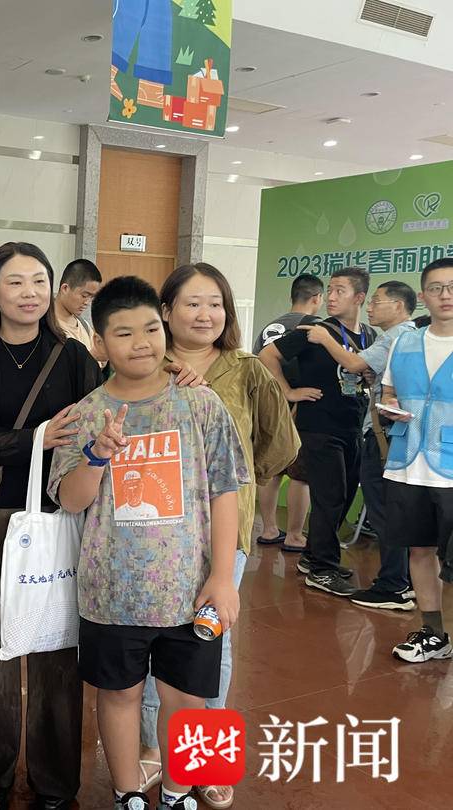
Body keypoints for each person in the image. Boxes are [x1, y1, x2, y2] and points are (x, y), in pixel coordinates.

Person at [50, 275, 247, 810]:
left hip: (190, 591)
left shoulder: (199, 403)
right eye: (124, 333)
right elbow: (70, 499)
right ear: (99, 342)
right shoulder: (87, 412)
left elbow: (225, 491)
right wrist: (96, 455)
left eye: (151, 329)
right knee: (119, 695)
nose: (141, 343)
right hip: (112, 593)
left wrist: (222, 576)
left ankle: (182, 790)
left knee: (190, 696)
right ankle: (128, 792)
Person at [138, 263, 299, 810]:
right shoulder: (142, 363)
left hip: (221, 533)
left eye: (216, 304)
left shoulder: (247, 370)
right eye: (192, 303)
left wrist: (240, 484)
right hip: (150, 533)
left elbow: (280, 444)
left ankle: (205, 760)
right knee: (151, 641)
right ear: (166, 311)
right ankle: (156, 749)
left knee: (212, 644)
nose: (205, 314)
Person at [0, 242, 103, 809]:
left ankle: (55, 783)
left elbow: (95, 427)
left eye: (39, 280)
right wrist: (33, 439)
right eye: (15, 282)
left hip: (57, 519)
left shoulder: (73, 358)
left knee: (56, 652)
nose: (30, 293)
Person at [297, 280, 419, 611]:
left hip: (382, 433)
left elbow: (353, 365)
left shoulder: (393, 336)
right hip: (384, 433)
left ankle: (392, 585)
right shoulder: (412, 338)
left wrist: (325, 339)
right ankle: (398, 580)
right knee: (371, 504)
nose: (371, 308)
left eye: (376, 301)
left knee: (381, 509)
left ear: (398, 306)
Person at [259, 267, 377, 597]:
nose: (332, 297)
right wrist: (288, 391)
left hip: (352, 423)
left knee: (346, 495)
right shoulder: (315, 330)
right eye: (331, 290)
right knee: (329, 496)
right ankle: (322, 569)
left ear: (359, 297)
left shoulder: (368, 335)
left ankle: (313, 556)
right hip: (318, 426)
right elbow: (268, 355)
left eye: (341, 291)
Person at [380, 258, 453, 663]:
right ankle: (434, 634)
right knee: (419, 551)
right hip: (408, 464)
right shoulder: (404, 343)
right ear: (423, 295)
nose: (446, 295)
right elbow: (389, 391)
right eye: (437, 288)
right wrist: (390, 407)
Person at [252, 274, 324, 548]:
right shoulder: (313, 327)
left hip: (265, 405)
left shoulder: (269, 327)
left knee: (272, 471)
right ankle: (294, 535)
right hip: (296, 406)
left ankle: (269, 529)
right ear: (317, 298)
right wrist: (290, 393)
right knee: (300, 475)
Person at [53, 258, 102, 356]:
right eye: (84, 295)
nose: (87, 302)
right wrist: (94, 356)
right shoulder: (45, 326)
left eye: (92, 297)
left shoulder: (85, 326)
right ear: (65, 288)